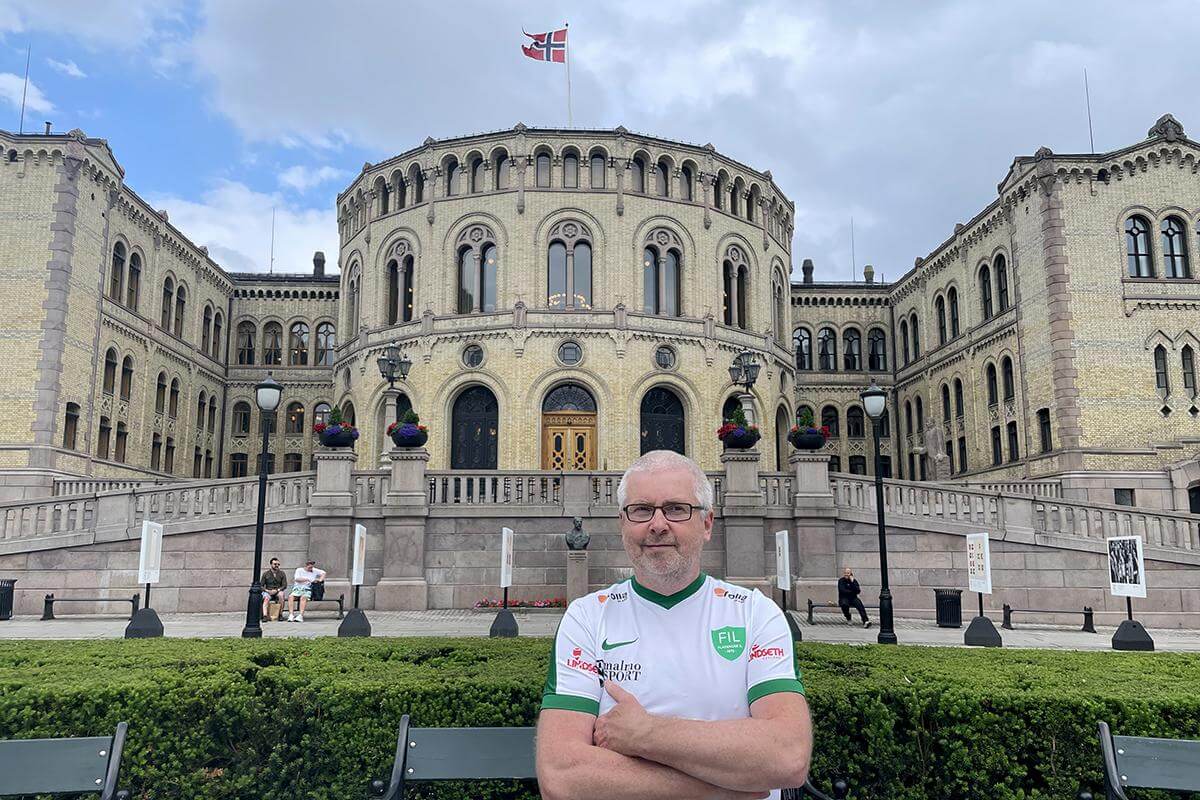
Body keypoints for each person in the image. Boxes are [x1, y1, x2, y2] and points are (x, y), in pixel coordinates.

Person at [536, 450, 812, 800]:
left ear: (708, 524)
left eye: (676, 509)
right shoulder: (587, 617)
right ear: (623, 523)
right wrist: (722, 790)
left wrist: (645, 733)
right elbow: (562, 776)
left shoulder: (755, 613)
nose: (657, 524)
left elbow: (786, 756)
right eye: (641, 510)